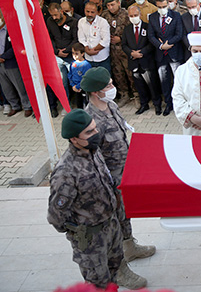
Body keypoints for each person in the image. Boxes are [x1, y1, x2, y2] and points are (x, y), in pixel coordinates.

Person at [47, 109, 147, 290]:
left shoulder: (94, 151)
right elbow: (56, 217)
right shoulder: (65, 172)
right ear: (74, 139)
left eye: (95, 129)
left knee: (114, 275)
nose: (96, 134)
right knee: (98, 284)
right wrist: (79, 230)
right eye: (89, 132)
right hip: (91, 238)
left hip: (111, 227)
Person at [80, 68, 156, 263]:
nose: (113, 88)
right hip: (110, 177)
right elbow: (94, 157)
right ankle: (118, 260)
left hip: (125, 171)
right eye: (109, 86)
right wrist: (107, 184)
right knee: (114, 217)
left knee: (125, 211)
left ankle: (129, 245)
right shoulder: (91, 120)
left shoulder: (111, 105)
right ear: (96, 92)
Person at [121, 5, 163, 115]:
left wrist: (141, 53)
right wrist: (131, 53)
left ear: (140, 14)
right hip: (134, 62)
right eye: (131, 16)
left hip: (147, 61)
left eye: (135, 15)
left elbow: (151, 43)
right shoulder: (127, 29)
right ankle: (144, 104)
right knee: (139, 86)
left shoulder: (148, 27)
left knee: (152, 85)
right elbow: (124, 45)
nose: (133, 17)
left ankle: (157, 105)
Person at [148, 0, 184, 116]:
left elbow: (179, 34)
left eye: (164, 6)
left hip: (174, 54)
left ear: (168, 4)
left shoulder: (176, 16)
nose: (162, 9)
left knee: (179, 81)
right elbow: (151, 35)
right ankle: (168, 104)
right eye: (159, 6)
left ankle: (180, 104)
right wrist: (160, 46)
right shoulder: (152, 17)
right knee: (164, 81)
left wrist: (169, 43)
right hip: (160, 54)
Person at [101, 0, 134, 106]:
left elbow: (132, 31)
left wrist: (121, 39)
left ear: (118, 3)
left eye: (113, 4)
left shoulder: (126, 14)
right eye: (108, 5)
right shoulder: (104, 15)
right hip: (112, 51)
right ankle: (124, 94)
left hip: (125, 49)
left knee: (130, 73)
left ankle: (136, 94)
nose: (111, 7)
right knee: (118, 74)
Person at [0, 19, 33, 117]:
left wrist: (3, 57)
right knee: (6, 87)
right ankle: (15, 106)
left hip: (10, 62)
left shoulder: (10, 30)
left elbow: (16, 46)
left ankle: (27, 106)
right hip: (0, 65)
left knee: (19, 85)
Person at [78, 2, 111, 73]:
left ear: (97, 12)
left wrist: (94, 50)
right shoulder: (81, 21)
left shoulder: (103, 22)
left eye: (92, 12)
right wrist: (87, 50)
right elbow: (81, 38)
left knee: (105, 81)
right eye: (87, 11)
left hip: (102, 58)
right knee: (90, 81)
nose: (89, 14)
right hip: (88, 58)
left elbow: (106, 40)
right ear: (84, 10)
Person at [68, 43, 91, 109]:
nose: (74, 56)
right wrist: (73, 85)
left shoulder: (86, 65)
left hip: (84, 88)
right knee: (79, 103)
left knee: (87, 104)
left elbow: (85, 78)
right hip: (75, 88)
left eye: (76, 54)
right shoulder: (73, 63)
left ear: (82, 54)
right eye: (73, 53)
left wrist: (78, 86)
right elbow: (70, 75)